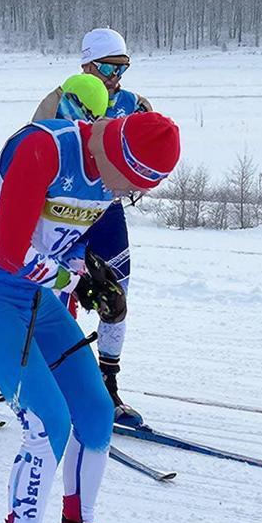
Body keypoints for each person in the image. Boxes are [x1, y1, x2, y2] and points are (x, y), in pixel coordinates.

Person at [0, 109, 180, 523]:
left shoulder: (110, 173)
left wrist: (93, 274)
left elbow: (67, 239)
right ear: (113, 153)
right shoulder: (42, 150)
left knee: (95, 411)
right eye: (128, 184)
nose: (123, 195)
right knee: (47, 420)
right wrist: (77, 283)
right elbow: (11, 253)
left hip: (35, 294)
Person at [33, 28, 153, 424]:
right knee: (60, 293)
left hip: (106, 214)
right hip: (64, 211)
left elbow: (150, 158)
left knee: (116, 298)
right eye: (108, 68)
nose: (115, 77)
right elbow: (33, 154)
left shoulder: (134, 105)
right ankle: (58, 379)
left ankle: (107, 386)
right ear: (86, 65)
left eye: (122, 68)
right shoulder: (59, 101)